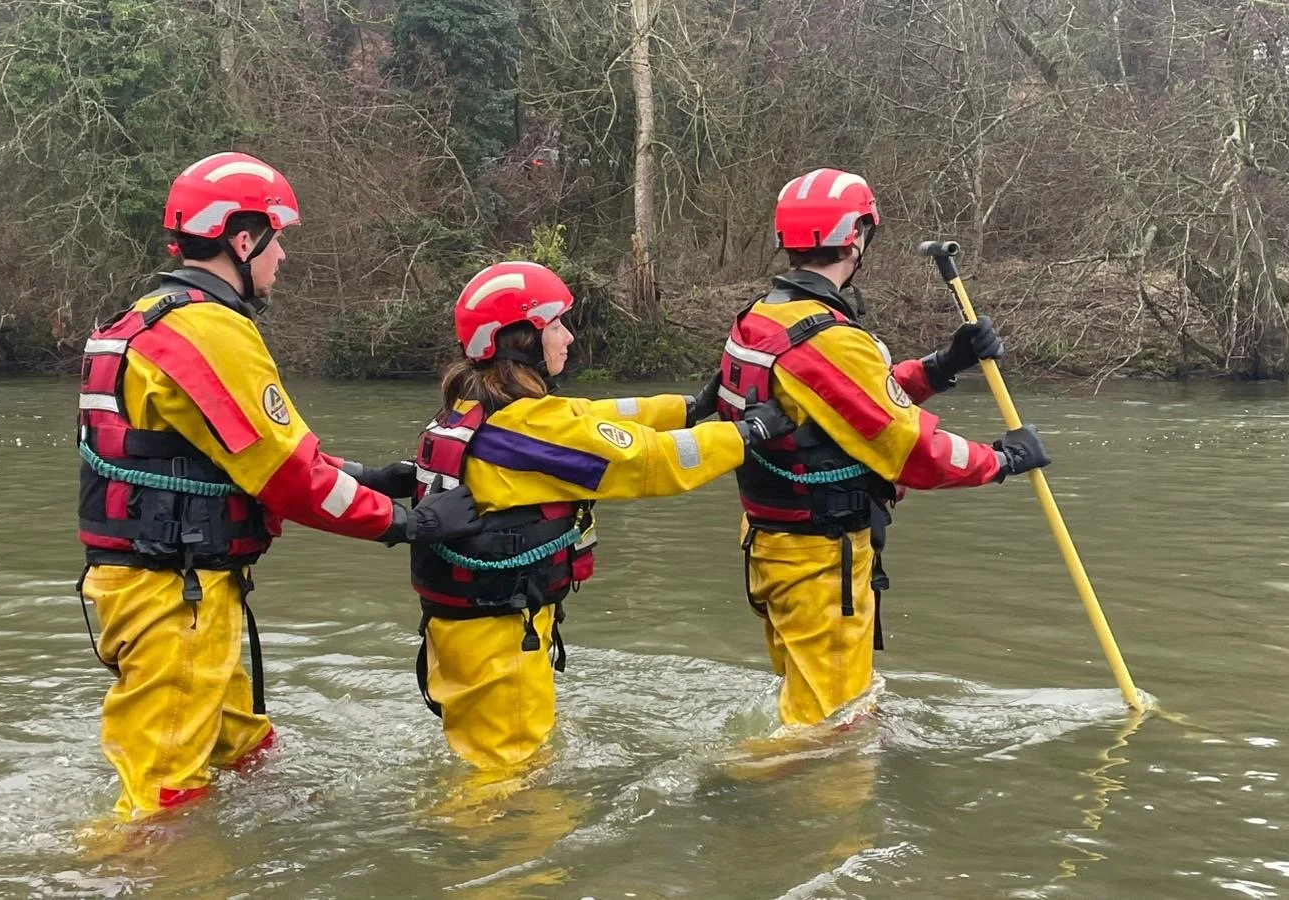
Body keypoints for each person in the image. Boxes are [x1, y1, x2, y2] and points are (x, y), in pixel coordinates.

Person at [74, 151, 485, 821]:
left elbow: (236, 457)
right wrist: (407, 523)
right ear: (243, 239)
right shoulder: (207, 330)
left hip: (177, 587)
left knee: (245, 748)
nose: (282, 258)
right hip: (175, 599)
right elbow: (290, 479)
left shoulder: (147, 319)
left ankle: (277, 837)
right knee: (162, 800)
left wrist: (368, 476)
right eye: (277, 238)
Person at [409, 259, 796, 770]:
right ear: (520, 339)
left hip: (471, 630)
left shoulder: (478, 408)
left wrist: (688, 407)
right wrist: (748, 435)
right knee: (506, 781)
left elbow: (592, 417)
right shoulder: (533, 428)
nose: (568, 338)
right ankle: (497, 845)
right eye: (556, 326)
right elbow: (648, 463)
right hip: (497, 637)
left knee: (492, 762)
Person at [706, 166, 1051, 729]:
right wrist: (1003, 460)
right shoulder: (830, 339)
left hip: (773, 548)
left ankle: (768, 792)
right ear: (857, 236)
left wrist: (943, 366)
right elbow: (915, 452)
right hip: (820, 562)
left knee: (810, 711)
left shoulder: (761, 318)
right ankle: (735, 792)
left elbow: (845, 403)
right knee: (833, 733)